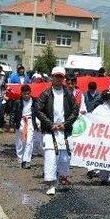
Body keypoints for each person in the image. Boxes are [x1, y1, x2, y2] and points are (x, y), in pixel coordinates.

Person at [35, 67, 78, 196]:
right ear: (52, 77)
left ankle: (60, 177)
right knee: (50, 157)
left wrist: (65, 124)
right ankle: (51, 184)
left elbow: (75, 110)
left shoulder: (68, 94)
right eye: (56, 77)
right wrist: (50, 124)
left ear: (63, 78)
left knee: (64, 158)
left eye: (60, 77)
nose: (58, 79)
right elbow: (38, 110)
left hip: (64, 131)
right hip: (50, 130)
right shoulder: (46, 93)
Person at [12, 84, 37, 169]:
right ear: (21, 93)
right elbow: (13, 113)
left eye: (28, 93)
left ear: (30, 93)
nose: (26, 95)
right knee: (20, 142)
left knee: (29, 142)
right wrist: (12, 124)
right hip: (21, 122)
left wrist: (38, 124)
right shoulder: (17, 102)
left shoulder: (34, 101)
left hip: (30, 122)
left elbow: (37, 113)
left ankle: (27, 161)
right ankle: (20, 159)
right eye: (24, 94)